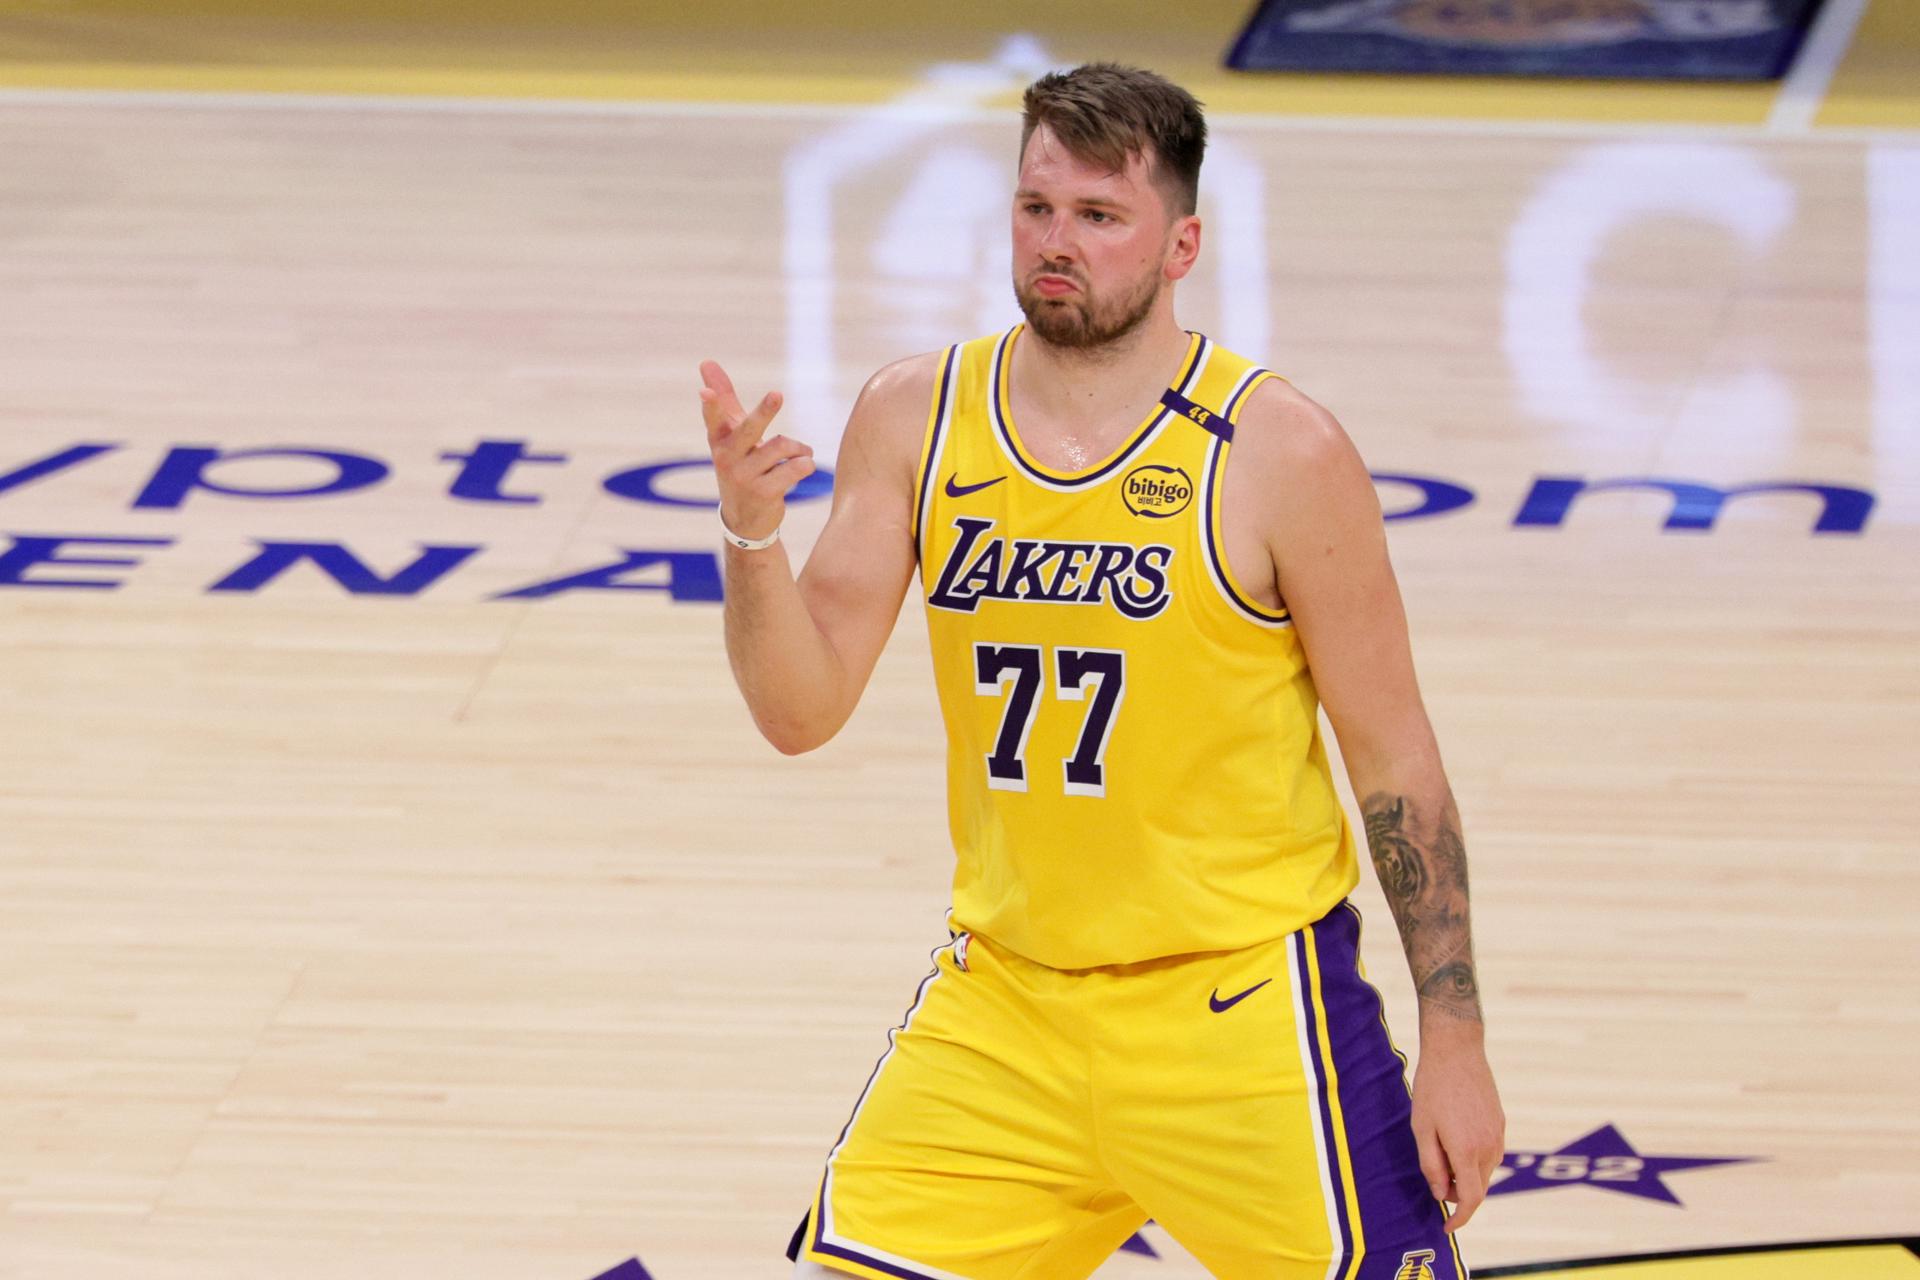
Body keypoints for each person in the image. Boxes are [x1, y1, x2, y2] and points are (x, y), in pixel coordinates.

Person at [697, 62, 1503, 1280]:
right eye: (1036, 209)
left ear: (1181, 243)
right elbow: (799, 711)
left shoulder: (1283, 450)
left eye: (1097, 216)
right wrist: (752, 538)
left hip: (1240, 1013)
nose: (1055, 244)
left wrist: (1455, 1037)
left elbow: (1396, 760)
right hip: (1005, 1005)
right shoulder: (918, 413)